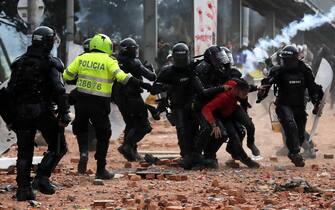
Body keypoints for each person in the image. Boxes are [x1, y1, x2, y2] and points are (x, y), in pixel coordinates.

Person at [63, 34, 152, 179]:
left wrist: (83, 79)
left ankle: (84, 153)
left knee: (81, 128)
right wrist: (143, 84)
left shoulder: (81, 58)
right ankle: (100, 169)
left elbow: (67, 76)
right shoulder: (109, 61)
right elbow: (123, 78)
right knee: (103, 134)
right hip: (99, 103)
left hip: (81, 100)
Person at [7, 26, 71, 201]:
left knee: (24, 153)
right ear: (49, 42)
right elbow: (59, 90)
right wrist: (64, 112)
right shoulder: (50, 62)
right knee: (59, 146)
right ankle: (42, 178)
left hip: (21, 113)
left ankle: (23, 190)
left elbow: (10, 91)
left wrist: (11, 118)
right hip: (43, 112)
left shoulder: (19, 62)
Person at [152, 43, 227, 169]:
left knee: (197, 130)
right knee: (182, 131)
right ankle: (187, 156)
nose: (181, 60)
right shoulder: (167, 71)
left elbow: (201, 91)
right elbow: (154, 89)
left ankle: (197, 156)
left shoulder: (191, 70)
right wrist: (168, 86)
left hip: (192, 106)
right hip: (177, 106)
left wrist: (221, 88)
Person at [194, 46, 259, 168]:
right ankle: (204, 156)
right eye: (219, 58)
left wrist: (255, 88)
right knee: (221, 132)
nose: (223, 62)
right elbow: (203, 94)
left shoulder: (225, 70)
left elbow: (239, 85)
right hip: (212, 107)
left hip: (229, 106)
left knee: (243, 128)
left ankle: (236, 151)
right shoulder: (202, 71)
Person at [257, 45, 323, 167]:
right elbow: (267, 83)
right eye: (283, 59)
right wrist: (261, 94)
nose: (285, 62)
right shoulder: (277, 70)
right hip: (283, 103)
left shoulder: (304, 69)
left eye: (288, 60)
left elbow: (313, 87)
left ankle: (304, 148)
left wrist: (316, 103)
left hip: (299, 104)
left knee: (300, 132)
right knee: (289, 124)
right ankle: (294, 153)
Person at [113, 37, 156, 162]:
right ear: (131, 50)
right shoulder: (134, 62)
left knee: (131, 124)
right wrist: (150, 68)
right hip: (132, 96)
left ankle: (131, 152)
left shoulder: (116, 60)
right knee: (144, 126)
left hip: (119, 97)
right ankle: (127, 146)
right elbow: (151, 76)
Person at [202, 79, 260, 168]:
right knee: (233, 136)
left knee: (249, 125)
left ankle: (250, 144)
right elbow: (206, 109)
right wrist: (213, 124)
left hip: (231, 109)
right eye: (244, 94)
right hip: (221, 116)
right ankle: (245, 159)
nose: (246, 96)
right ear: (237, 90)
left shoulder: (235, 86)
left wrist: (257, 88)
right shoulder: (223, 97)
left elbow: (244, 86)